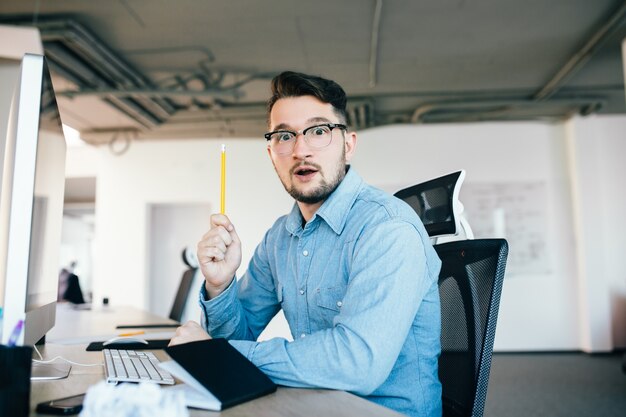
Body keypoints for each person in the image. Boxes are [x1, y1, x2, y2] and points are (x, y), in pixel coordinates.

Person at [169, 71, 442, 417]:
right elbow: (238, 334)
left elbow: (357, 364)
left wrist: (219, 356)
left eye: (318, 132)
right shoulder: (279, 238)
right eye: (285, 136)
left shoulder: (388, 228)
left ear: (348, 144)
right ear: (271, 153)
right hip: (312, 404)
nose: (300, 150)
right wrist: (220, 284)